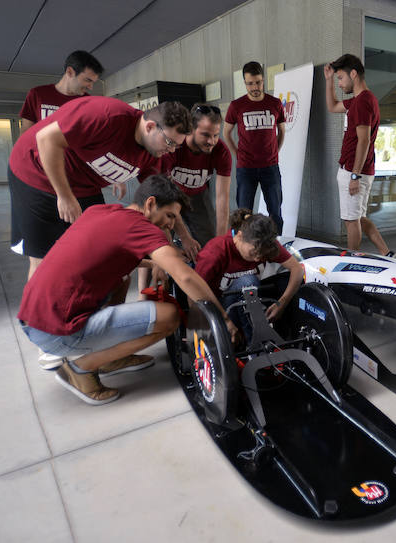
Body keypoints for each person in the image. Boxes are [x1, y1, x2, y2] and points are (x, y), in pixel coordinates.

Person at [17, 175, 236, 405]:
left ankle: (110, 358)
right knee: (170, 317)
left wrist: (155, 263)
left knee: (121, 279)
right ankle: (79, 370)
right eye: (169, 216)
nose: (171, 225)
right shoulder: (142, 228)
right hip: (58, 332)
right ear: (150, 204)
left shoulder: (101, 211)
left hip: (34, 318)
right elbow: (185, 276)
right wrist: (223, 319)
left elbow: (106, 254)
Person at [9, 96, 192, 369]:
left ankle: (104, 340)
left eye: (177, 145)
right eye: (170, 143)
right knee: (43, 256)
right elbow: (46, 138)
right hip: (37, 174)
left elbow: (162, 199)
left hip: (82, 186)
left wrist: (181, 239)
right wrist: (64, 195)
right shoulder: (106, 116)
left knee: (111, 258)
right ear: (151, 126)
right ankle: (49, 338)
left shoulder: (152, 152)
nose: (172, 150)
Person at [135, 104, 233, 295]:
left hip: (197, 196)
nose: (211, 141)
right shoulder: (172, 148)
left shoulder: (221, 151)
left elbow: (222, 198)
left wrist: (220, 242)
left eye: (215, 135)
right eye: (205, 134)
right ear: (191, 130)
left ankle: (203, 289)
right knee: (155, 241)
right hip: (165, 197)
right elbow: (165, 200)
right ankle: (144, 292)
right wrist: (185, 237)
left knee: (210, 244)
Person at [194, 209, 304, 342]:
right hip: (220, 309)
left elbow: (297, 269)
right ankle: (257, 345)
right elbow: (193, 291)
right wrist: (222, 322)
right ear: (239, 236)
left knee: (286, 282)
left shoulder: (265, 244)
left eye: (262, 253)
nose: (258, 259)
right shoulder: (215, 252)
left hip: (253, 305)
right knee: (248, 281)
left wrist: (281, 304)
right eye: (253, 253)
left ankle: (285, 338)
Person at [323, 53, 394, 256]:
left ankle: (352, 261)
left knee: (351, 221)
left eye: (340, 78)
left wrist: (354, 175)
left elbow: (364, 140)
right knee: (359, 217)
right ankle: (386, 252)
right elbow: (332, 106)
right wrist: (328, 80)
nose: (339, 83)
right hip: (359, 169)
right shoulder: (358, 100)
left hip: (355, 171)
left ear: (353, 74)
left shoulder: (363, 101)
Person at [223, 61, 286, 233]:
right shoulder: (236, 106)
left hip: (270, 167)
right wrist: (237, 154)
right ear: (245, 83)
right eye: (250, 83)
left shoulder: (275, 103)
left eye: (258, 82)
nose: (254, 87)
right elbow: (226, 132)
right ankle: (242, 249)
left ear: (263, 80)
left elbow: (281, 131)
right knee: (243, 213)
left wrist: (275, 151)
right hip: (246, 168)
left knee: (276, 212)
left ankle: (276, 247)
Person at [19, 50, 103, 134]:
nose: (91, 87)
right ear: (70, 72)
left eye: (93, 82)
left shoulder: (88, 103)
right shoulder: (37, 94)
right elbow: (26, 133)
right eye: (88, 80)